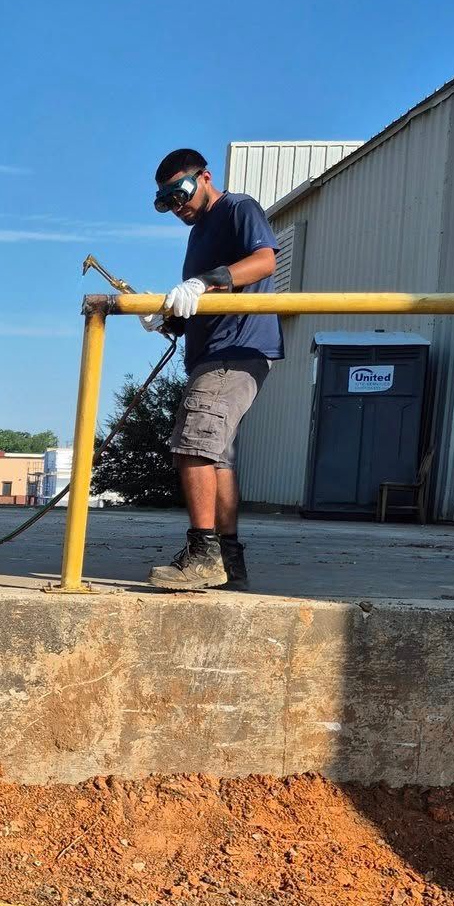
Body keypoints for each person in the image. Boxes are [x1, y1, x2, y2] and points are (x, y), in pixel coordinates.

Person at [144, 149, 280, 590]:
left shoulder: (237, 208)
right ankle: (229, 562)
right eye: (165, 202)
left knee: (193, 445)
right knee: (215, 456)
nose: (176, 206)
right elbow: (206, 299)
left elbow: (264, 261)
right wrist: (169, 316)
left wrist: (206, 280)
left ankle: (203, 556)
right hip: (215, 349)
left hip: (235, 349)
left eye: (180, 193)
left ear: (205, 177)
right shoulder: (199, 232)